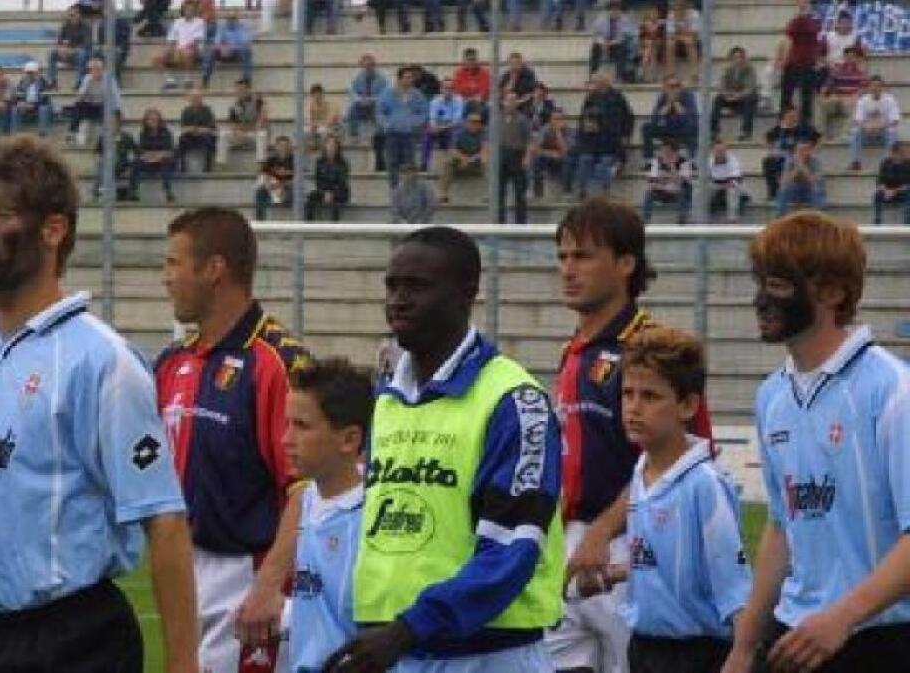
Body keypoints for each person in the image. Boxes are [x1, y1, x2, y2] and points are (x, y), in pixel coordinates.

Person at [0, 134, 198, 673]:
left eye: (2, 213)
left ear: (53, 230)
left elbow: (164, 520)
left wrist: (183, 663)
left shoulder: (103, 361)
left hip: (76, 638)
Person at [324, 226, 564, 673]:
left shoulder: (514, 401)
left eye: (417, 286)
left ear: (466, 293)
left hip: (487, 656)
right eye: (392, 286)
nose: (398, 299)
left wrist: (411, 627)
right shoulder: (388, 399)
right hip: (397, 651)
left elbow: (512, 550)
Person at [722, 212, 910, 673]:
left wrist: (842, 617)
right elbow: (781, 527)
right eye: (760, 283)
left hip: (877, 639)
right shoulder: (772, 396)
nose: (761, 300)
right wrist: (744, 647)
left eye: (780, 286)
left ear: (832, 292)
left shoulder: (892, 391)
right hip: (795, 635)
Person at [548, 198, 713, 673]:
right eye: (562, 257)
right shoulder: (572, 352)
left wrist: (602, 530)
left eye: (583, 256)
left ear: (625, 264)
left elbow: (680, 466)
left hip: (633, 544)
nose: (568, 269)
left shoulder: (655, 351)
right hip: (573, 547)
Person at [157, 208, 312, 673]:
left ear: (214, 270)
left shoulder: (278, 362)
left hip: (246, 573)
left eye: (173, 264)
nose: (165, 279)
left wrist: (269, 583)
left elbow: (307, 489)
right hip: (183, 567)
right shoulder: (171, 363)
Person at [617, 327, 751, 673]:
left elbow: (733, 585)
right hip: (643, 649)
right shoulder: (640, 471)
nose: (634, 407)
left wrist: (744, 655)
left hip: (694, 655)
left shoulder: (704, 485)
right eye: (627, 393)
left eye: (650, 396)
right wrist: (615, 574)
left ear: (688, 405)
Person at [285, 358, 372, 673]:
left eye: (302, 427)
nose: (286, 440)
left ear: (349, 439)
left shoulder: (371, 516)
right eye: (287, 425)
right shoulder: (307, 499)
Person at [575, 74, 634, 198]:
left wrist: (626, 135)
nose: (595, 85)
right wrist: (586, 128)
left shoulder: (617, 97)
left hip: (611, 143)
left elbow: (628, 117)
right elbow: (583, 118)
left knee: (604, 165)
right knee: (584, 160)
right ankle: (581, 191)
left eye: (596, 83)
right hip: (592, 141)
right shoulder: (591, 98)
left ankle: (605, 191)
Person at [376, 66, 428, 189]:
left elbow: (424, 113)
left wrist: (414, 123)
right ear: (400, 79)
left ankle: (410, 191)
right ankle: (394, 192)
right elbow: (380, 112)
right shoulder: (387, 94)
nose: (410, 80)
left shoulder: (418, 95)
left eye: (411, 77)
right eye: (407, 77)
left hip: (409, 135)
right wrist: (387, 124)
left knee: (409, 164)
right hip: (392, 134)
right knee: (392, 164)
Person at [762, 106, 820, 200]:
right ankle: (773, 192)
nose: (793, 118)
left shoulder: (804, 128)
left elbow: (818, 138)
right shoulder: (779, 129)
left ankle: (789, 191)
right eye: (790, 116)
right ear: (784, 117)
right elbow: (767, 138)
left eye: (794, 116)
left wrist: (813, 150)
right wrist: (771, 150)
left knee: (791, 162)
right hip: (783, 155)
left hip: (799, 156)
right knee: (768, 161)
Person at [641, 75, 697, 164]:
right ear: (665, 88)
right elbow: (655, 119)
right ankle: (648, 160)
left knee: (695, 128)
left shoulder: (688, 96)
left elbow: (690, 120)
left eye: (677, 85)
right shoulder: (662, 97)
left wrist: (676, 103)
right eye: (671, 86)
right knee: (646, 127)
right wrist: (668, 104)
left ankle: (693, 159)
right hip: (666, 130)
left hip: (682, 129)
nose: (674, 89)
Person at [848, 75, 900, 171]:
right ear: (869, 87)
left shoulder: (890, 100)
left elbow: (895, 120)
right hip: (866, 133)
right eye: (873, 86)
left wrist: (880, 126)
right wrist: (866, 126)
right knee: (855, 132)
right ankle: (855, 162)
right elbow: (857, 120)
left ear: (882, 87)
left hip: (883, 132)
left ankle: (886, 164)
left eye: (878, 86)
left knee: (893, 133)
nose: (876, 88)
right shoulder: (863, 100)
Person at [782, 0, 822, 124]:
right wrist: (799, 16)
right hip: (793, 62)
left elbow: (813, 29)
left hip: (808, 63)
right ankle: (784, 119)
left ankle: (806, 122)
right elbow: (789, 31)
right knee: (787, 95)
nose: (803, 5)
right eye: (801, 3)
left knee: (806, 96)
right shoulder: (794, 21)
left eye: (805, 3)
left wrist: (803, 16)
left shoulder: (815, 21)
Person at [497, 92, 533, 225]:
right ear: (503, 102)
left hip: (517, 155)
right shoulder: (497, 118)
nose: (511, 103)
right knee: (499, 192)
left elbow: (529, 141)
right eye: (508, 100)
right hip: (501, 155)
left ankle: (521, 222)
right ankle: (499, 221)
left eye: (513, 100)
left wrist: (527, 157)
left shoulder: (522, 120)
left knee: (520, 192)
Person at [66, 56, 119, 147]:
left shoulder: (109, 80)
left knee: (108, 108)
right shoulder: (87, 78)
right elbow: (80, 96)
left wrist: (116, 112)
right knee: (78, 105)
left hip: (104, 107)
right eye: (91, 69)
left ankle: (106, 136)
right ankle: (72, 133)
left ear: (102, 69)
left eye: (97, 69)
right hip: (92, 106)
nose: (94, 72)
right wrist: (84, 93)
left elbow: (115, 99)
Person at [818, 46, 867, 140]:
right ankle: (822, 134)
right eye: (847, 57)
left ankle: (846, 133)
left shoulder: (861, 72)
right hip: (837, 99)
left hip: (851, 100)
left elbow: (862, 89)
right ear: (844, 57)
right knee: (824, 104)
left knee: (855, 104)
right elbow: (828, 84)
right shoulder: (837, 69)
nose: (849, 59)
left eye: (852, 57)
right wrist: (822, 95)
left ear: (856, 58)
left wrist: (855, 96)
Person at [217, 78, 268, 167]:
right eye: (237, 89)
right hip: (240, 134)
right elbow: (232, 124)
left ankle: (261, 162)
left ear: (248, 89)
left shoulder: (258, 101)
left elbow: (261, 120)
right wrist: (236, 131)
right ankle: (221, 162)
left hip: (253, 133)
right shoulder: (234, 105)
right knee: (223, 134)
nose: (239, 92)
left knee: (262, 134)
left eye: (242, 89)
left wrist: (249, 128)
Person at [437, 112, 486, 204]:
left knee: (487, 162)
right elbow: (452, 149)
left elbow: (485, 149)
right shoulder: (458, 132)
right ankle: (443, 195)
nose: (476, 124)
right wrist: (464, 158)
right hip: (460, 161)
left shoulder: (484, 132)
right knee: (447, 162)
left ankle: (489, 195)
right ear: (466, 122)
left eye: (478, 122)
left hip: (476, 162)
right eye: (473, 121)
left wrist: (470, 159)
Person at [130, 108, 177, 204]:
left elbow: (170, 151)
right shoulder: (143, 133)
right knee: (136, 163)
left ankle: (168, 191)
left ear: (159, 121)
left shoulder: (166, 133)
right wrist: (150, 157)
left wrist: (158, 156)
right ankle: (133, 191)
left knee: (166, 162)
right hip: (149, 161)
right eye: (150, 119)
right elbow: (141, 151)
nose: (153, 122)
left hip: (163, 161)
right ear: (146, 121)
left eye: (155, 120)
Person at [711, 47, 758, 141]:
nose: (738, 60)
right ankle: (714, 131)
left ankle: (746, 132)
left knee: (751, 98)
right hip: (731, 97)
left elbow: (749, 88)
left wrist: (736, 96)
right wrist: (726, 95)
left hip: (744, 98)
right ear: (732, 59)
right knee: (718, 99)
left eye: (740, 57)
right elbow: (722, 85)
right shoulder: (727, 69)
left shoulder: (750, 69)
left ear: (744, 58)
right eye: (735, 58)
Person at [641, 140, 692, 225]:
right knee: (649, 193)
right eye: (663, 152)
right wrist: (663, 186)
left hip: (678, 192)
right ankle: (645, 220)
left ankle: (682, 221)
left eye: (668, 152)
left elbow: (682, 182)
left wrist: (672, 165)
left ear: (675, 153)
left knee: (682, 192)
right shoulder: (657, 161)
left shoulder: (684, 162)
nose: (664, 154)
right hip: (662, 190)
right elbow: (652, 182)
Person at [156, 1, 205, 90]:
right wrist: (169, 50)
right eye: (186, 9)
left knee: (187, 53)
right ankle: (170, 81)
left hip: (194, 50)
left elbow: (196, 41)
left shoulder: (199, 22)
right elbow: (171, 39)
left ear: (194, 11)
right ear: (183, 10)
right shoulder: (177, 22)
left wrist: (183, 50)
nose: (188, 11)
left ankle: (188, 80)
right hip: (179, 51)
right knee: (157, 59)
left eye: (191, 9)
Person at [530, 110, 577, 198]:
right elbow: (535, 148)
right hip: (550, 157)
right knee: (537, 159)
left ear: (565, 120)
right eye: (555, 119)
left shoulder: (571, 131)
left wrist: (558, 133)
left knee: (569, 160)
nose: (557, 121)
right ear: (550, 120)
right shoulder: (545, 129)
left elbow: (566, 151)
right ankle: (537, 192)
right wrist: (550, 153)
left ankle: (567, 191)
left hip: (564, 158)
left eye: (560, 119)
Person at [588, 0, 637, 84]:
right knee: (595, 47)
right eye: (612, 10)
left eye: (617, 10)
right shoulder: (601, 19)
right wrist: (602, 42)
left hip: (618, 45)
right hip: (604, 44)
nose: (615, 13)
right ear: (609, 11)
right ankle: (593, 74)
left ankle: (619, 76)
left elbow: (623, 37)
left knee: (621, 48)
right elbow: (595, 34)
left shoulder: (625, 20)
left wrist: (610, 43)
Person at [775, 138, 827, 215]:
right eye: (800, 150)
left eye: (806, 149)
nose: (803, 152)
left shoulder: (815, 161)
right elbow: (784, 181)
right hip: (795, 190)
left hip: (810, 191)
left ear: (810, 151)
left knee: (818, 186)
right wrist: (797, 168)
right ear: (796, 151)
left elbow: (814, 181)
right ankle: (781, 214)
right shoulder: (790, 161)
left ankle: (820, 212)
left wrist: (802, 166)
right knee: (783, 189)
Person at [423, 77, 465, 171]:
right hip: (439, 126)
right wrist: (435, 127)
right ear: (441, 89)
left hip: (453, 127)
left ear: (454, 89)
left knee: (452, 133)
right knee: (428, 133)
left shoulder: (459, 101)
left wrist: (443, 127)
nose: (448, 91)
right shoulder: (435, 101)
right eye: (446, 88)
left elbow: (457, 120)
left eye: (451, 88)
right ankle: (424, 163)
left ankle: (450, 162)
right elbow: (432, 118)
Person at [202, 11, 253, 86]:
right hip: (223, 52)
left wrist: (230, 47)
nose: (231, 20)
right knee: (212, 50)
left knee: (247, 51)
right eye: (229, 18)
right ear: (226, 19)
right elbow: (217, 42)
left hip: (237, 53)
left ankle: (247, 79)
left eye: (233, 18)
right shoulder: (222, 27)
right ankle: (205, 78)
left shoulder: (243, 27)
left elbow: (245, 43)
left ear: (237, 19)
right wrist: (222, 47)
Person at [346, 54, 389, 142]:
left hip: (375, 105)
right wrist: (359, 100)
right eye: (366, 66)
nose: (368, 68)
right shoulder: (357, 78)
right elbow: (352, 92)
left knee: (380, 111)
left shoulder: (382, 79)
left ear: (374, 66)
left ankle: (381, 135)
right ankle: (354, 135)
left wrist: (370, 100)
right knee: (352, 110)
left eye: (371, 65)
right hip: (361, 105)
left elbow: (384, 95)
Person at [306, 134, 350, 222]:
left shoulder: (343, 163)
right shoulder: (319, 162)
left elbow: (342, 182)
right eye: (329, 144)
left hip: (339, 192)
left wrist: (332, 193)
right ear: (325, 146)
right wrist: (324, 192)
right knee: (310, 198)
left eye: (333, 145)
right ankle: (309, 224)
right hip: (323, 190)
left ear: (337, 147)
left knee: (336, 202)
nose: (331, 147)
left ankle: (334, 226)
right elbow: (318, 180)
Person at [47, 6, 93, 89]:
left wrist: (71, 51)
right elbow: (59, 42)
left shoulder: (86, 27)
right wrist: (61, 49)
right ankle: (52, 81)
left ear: (79, 15)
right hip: (68, 55)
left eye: (75, 14)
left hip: (81, 56)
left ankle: (80, 81)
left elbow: (86, 45)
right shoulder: (65, 27)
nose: (73, 17)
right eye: (71, 15)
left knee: (82, 53)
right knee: (52, 53)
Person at [254, 135, 295, 221]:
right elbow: (263, 175)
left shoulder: (294, 160)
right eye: (280, 146)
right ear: (276, 147)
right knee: (260, 192)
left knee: (295, 190)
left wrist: (283, 185)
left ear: (289, 147)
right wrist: (270, 185)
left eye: (285, 146)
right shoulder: (270, 160)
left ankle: (298, 221)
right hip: (273, 189)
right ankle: (260, 221)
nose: (283, 148)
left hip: (288, 189)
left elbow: (298, 179)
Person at [177, 88, 217, 173]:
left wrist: (200, 130)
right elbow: (183, 127)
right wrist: (191, 129)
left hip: (204, 135)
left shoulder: (207, 110)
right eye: (193, 97)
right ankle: (182, 166)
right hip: (189, 135)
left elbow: (211, 128)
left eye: (197, 97)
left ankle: (208, 167)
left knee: (209, 139)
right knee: (181, 140)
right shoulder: (186, 111)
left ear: (201, 98)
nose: (195, 99)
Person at [8, 61, 53, 135]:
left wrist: (34, 104)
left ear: (37, 72)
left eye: (32, 72)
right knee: (14, 108)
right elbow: (17, 94)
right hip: (25, 104)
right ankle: (15, 133)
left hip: (39, 104)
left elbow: (45, 97)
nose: (30, 74)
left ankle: (42, 133)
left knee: (43, 109)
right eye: (28, 72)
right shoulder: (23, 81)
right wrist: (20, 102)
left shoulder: (43, 81)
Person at [873, 140, 910, 226]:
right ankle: (877, 223)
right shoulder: (886, 162)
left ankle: (907, 225)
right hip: (887, 192)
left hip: (903, 193)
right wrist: (885, 190)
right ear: (898, 153)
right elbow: (880, 180)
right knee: (877, 194)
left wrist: (895, 191)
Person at [708, 139, 745, 223]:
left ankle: (732, 218)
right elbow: (704, 179)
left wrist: (723, 186)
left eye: (722, 151)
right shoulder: (708, 161)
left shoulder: (734, 161)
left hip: (731, 185)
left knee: (733, 190)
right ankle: (698, 217)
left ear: (726, 151)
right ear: (713, 151)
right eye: (718, 151)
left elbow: (735, 180)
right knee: (701, 189)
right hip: (714, 186)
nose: (720, 153)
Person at [663, 0, 700, 79]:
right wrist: (681, 36)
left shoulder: (694, 14)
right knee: (669, 44)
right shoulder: (671, 15)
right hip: (678, 38)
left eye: (681, 4)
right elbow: (670, 34)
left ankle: (694, 72)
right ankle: (670, 73)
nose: (679, 6)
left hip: (691, 38)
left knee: (689, 42)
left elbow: (694, 33)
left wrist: (681, 33)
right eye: (677, 4)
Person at [452, 48, 491, 114]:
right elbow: (458, 91)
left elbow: (484, 91)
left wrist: (474, 98)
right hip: (463, 102)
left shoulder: (484, 73)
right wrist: (469, 99)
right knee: (459, 106)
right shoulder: (459, 73)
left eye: (473, 60)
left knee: (485, 107)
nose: (471, 62)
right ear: (464, 61)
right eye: (469, 60)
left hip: (481, 102)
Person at [305, 84, 342, 152]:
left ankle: (323, 150)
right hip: (319, 128)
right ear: (312, 96)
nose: (317, 98)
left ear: (322, 95)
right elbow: (310, 121)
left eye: (319, 95)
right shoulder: (311, 106)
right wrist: (314, 125)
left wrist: (316, 124)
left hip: (334, 128)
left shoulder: (331, 105)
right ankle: (312, 147)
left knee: (324, 130)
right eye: (314, 96)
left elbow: (330, 122)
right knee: (305, 131)